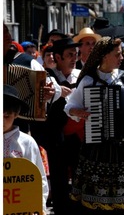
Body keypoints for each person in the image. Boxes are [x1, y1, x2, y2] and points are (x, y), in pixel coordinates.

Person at [64, 36, 124, 215]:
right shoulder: (89, 81)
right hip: (97, 148)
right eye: (117, 54)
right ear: (104, 56)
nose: (121, 58)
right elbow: (70, 105)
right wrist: (76, 112)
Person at [30, 37, 82, 215]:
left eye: (75, 54)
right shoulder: (46, 78)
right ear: (57, 57)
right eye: (69, 55)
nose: (74, 58)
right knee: (59, 185)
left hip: (79, 140)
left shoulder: (82, 77)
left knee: (79, 183)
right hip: (56, 141)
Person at [3, 84, 49, 214]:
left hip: (21, 207)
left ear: (16, 114)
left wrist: (40, 207)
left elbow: (39, 177)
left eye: (6, 116)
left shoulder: (27, 142)